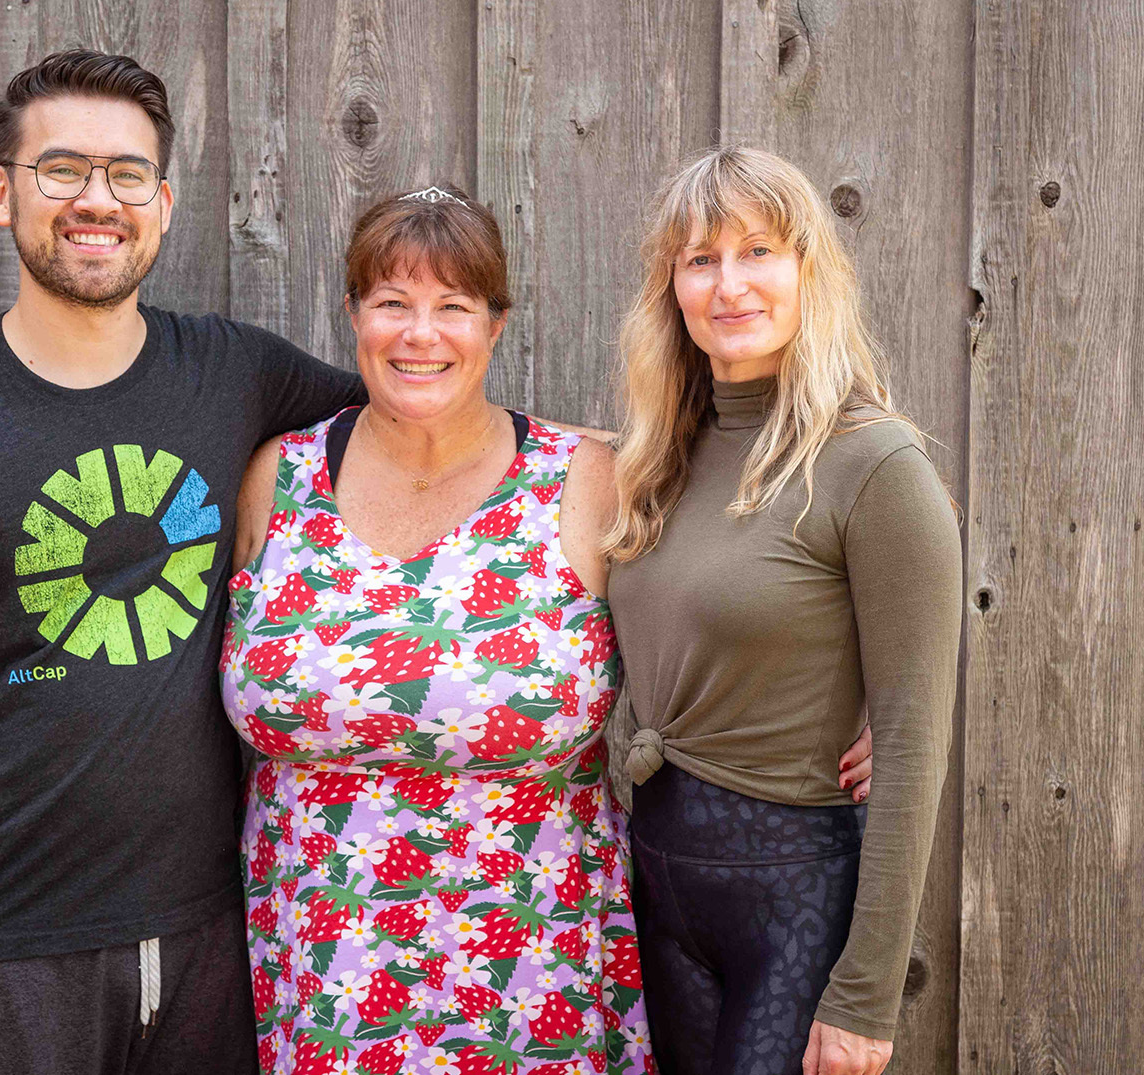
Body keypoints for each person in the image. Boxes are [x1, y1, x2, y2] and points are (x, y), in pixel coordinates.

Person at [219, 186, 874, 1075]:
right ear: (353, 315)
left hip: (536, 974)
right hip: (323, 976)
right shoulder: (278, 478)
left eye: (454, 306)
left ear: (496, 324)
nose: (421, 333)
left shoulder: (583, 483)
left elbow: (778, 543)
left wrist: (860, 694)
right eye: (392, 304)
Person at [0, 50, 365, 1074]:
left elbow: (428, 424)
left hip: (210, 936)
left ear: (161, 199)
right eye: (61, 169)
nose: (95, 200)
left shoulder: (235, 373)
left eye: (126, 174)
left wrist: (606, 460)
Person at [605, 145, 962, 1075]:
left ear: (810, 270)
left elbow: (916, 746)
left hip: (792, 902)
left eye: (758, 250)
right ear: (671, 287)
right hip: (658, 888)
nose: (730, 284)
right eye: (699, 258)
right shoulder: (655, 460)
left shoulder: (874, 466)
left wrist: (867, 997)